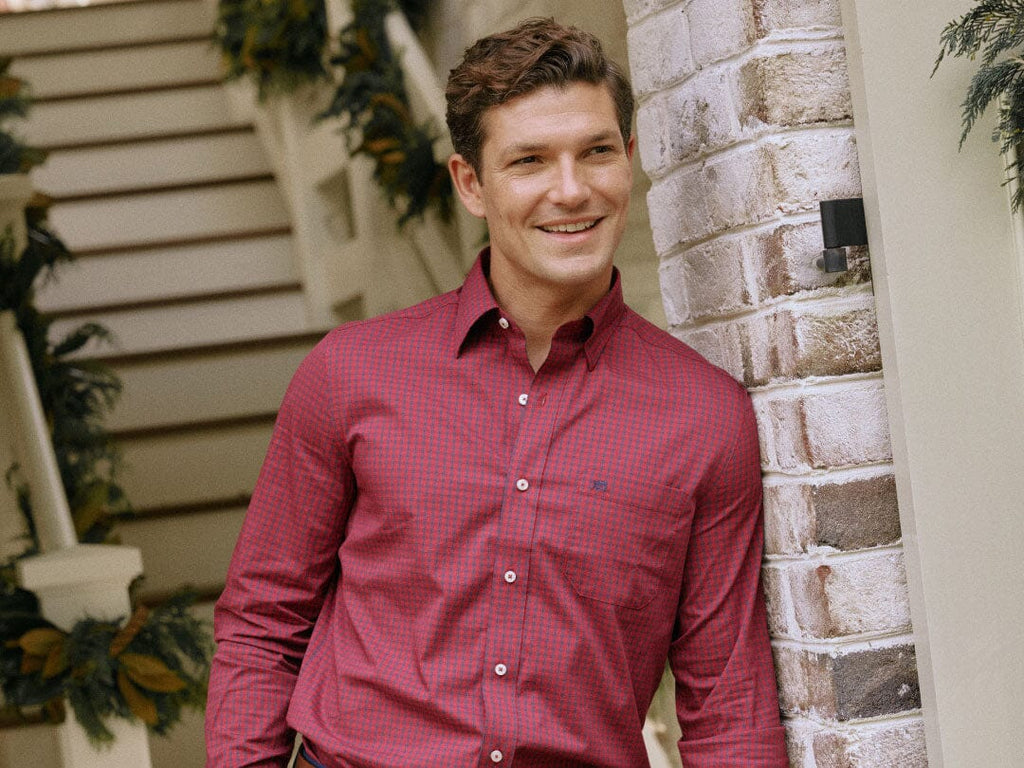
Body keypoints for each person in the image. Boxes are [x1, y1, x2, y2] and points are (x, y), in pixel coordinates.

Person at [205, 17, 788, 768]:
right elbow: (262, 623)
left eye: (597, 152)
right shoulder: (351, 373)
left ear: (629, 160)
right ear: (471, 184)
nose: (571, 190)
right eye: (529, 161)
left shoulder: (704, 417)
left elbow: (729, 704)